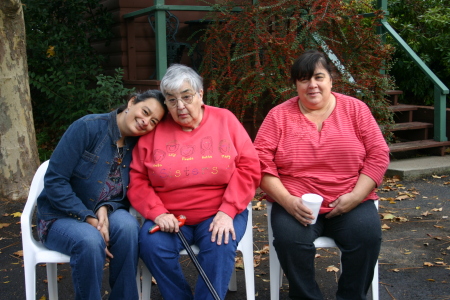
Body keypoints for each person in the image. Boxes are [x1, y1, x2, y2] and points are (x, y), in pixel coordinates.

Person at [253, 50, 390, 300]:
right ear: (295, 84)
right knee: (289, 241)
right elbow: (260, 162)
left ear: (331, 79)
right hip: (296, 203)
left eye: (318, 77)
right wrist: (287, 201)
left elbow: (378, 154)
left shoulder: (356, 110)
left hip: (351, 199)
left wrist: (356, 196)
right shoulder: (279, 115)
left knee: (367, 238)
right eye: (304, 79)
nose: (312, 85)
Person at [128, 64, 261, 300]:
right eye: (171, 100)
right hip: (170, 216)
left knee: (220, 242)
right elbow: (137, 178)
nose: (180, 106)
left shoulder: (225, 120)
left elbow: (249, 167)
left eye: (186, 97)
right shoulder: (155, 129)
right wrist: (157, 212)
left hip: (218, 211)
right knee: (151, 245)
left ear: (201, 95)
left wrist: (228, 210)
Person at [36, 90, 167, 300]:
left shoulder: (137, 145)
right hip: (59, 215)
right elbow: (55, 180)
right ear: (132, 102)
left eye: (153, 121)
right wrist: (89, 217)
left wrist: (105, 207)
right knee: (89, 240)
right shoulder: (87, 127)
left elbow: (127, 191)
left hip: (105, 212)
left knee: (128, 228)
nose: (145, 122)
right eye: (145, 111)